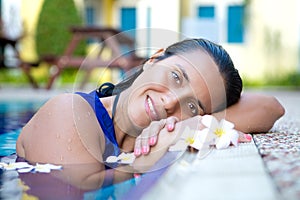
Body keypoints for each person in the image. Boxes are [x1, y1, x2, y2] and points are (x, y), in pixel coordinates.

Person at [16, 38, 284, 189]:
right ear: (153, 60)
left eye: (192, 106)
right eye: (176, 77)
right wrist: (151, 158)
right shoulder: (69, 112)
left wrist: (188, 126)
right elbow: (74, 188)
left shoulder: (174, 124)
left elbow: (270, 107)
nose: (169, 102)